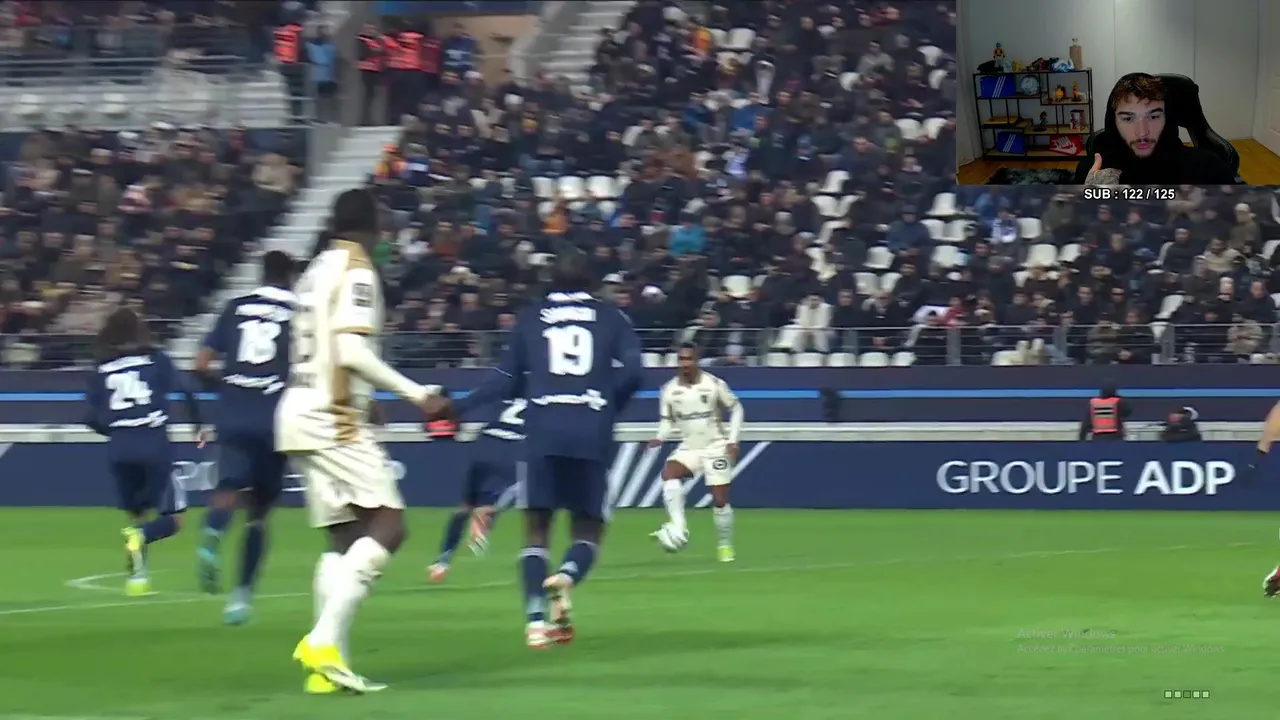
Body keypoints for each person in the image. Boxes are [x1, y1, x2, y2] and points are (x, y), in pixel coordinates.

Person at [424, 251, 644, 649]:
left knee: (537, 529)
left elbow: (503, 381)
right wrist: (605, 405)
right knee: (588, 526)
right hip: (590, 430)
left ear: (551, 281)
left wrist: (457, 407)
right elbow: (634, 371)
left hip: (542, 430)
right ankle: (567, 575)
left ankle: (535, 622)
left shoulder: (531, 317)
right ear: (592, 282)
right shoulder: (612, 317)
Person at [279, 188, 441, 694]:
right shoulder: (357, 269)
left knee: (343, 535)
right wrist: (419, 395)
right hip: (332, 417)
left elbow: (322, 347)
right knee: (389, 524)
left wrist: (364, 396)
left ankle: (327, 671)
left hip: (299, 407)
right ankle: (323, 640)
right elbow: (349, 349)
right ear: (373, 227)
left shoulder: (313, 270)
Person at [193, 250, 296, 625]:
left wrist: (227, 386)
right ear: (291, 276)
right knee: (259, 514)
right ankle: (240, 598)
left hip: (234, 413)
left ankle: (213, 533)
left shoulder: (235, 306)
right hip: (275, 417)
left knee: (227, 489)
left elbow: (200, 364)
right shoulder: (300, 312)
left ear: (261, 274)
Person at [84, 307, 204, 597]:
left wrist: (117, 431)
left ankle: (137, 578)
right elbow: (187, 389)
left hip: (120, 451)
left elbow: (89, 417)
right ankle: (141, 539)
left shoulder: (102, 368)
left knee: (137, 514)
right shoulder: (155, 358)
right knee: (174, 519)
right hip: (154, 446)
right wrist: (199, 424)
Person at [649, 343, 744, 562]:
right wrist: (659, 437)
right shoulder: (669, 390)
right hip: (690, 447)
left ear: (697, 361)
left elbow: (737, 408)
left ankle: (725, 544)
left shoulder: (713, 384)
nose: (685, 364)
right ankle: (679, 526)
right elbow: (667, 420)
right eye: (681, 359)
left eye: (689, 359)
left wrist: (732, 440)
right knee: (670, 472)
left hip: (716, 446)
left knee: (720, 499)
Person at [426, 397, 528, 583]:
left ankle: (442, 562)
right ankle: (483, 518)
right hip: (511, 448)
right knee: (517, 488)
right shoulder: (547, 401)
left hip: (484, 443)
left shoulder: (512, 393)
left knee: (465, 506)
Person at [1075, 73, 1239, 185]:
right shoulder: (1091, 174)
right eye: (1128, 119)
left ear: (1167, 119)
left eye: (1153, 117)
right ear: (1113, 122)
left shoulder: (1208, 171)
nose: (1142, 132)